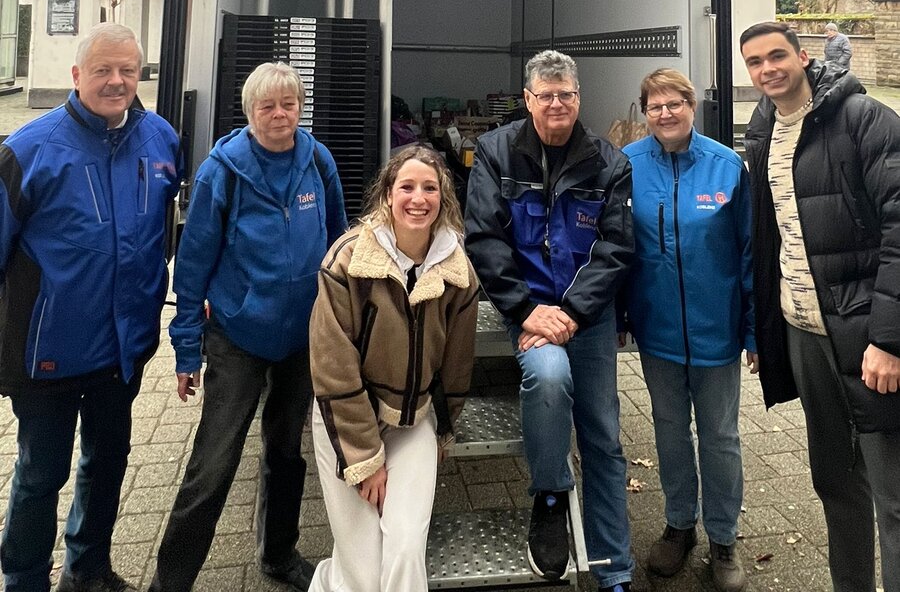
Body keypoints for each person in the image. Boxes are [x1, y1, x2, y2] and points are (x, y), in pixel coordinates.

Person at [149, 62, 347, 592]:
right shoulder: (223, 171)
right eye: (268, 106)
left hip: (302, 339)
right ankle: (171, 581)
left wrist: (342, 324)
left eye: (289, 104)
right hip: (238, 336)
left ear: (300, 108)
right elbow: (191, 268)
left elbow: (338, 244)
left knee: (285, 451)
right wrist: (187, 350)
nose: (280, 115)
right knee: (214, 464)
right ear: (250, 112)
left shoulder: (317, 160)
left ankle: (277, 555)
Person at [0, 23, 182, 592]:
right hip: (47, 352)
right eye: (102, 69)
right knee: (39, 474)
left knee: (106, 465)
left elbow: (163, 234)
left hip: (122, 349)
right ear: (76, 75)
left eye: (127, 69)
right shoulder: (29, 150)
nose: (116, 80)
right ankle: (24, 579)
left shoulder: (162, 141)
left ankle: (88, 570)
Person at [465, 50, 635, 592]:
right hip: (529, 311)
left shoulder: (610, 163)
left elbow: (616, 247)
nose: (557, 103)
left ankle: (615, 568)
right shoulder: (494, 152)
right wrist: (527, 309)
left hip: (587, 315)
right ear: (528, 100)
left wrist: (575, 311)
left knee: (604, 437)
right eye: (546, 94)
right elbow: (485, 238)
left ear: (578, 98)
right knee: (549, 377)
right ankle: (550, 494)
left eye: (566, 94)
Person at [740, 21, 900, 592]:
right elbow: (768, 240)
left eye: (777, 56)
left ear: (803, 57)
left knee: (893, 494)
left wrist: (889, 339)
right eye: (755, 62)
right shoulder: (761, 134)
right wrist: (763, 329)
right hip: (802, 331)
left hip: (866, 335)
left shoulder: (865, 120)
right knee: (835, 482)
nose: (767, 69)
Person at [309, 144, 478, 592]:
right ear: (387, 195)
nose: (417, 198)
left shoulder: (458, 271)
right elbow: (332, 367)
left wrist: (443, 428)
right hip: (347, 421)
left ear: (443, 199)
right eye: (406, 187)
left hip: (413, 421)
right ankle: (330, 580)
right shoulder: (346, 259)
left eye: (430, 188)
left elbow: (455, 366)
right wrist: (364, 459)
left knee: (404, 548)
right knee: (363, 571)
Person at [619, 69, 755, 592]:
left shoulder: (726, 166)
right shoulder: (627, 166)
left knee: (720, 436)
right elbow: (616, 251)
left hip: (716, 331)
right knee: (670, 431)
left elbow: (748, 254)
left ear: (691, 107)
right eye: (655, 106)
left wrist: (753, 333)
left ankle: (723, 537)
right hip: (657, 333)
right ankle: (679, 526)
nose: (666, 114)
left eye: (675, 103)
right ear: (645, 112)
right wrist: (619, 318)